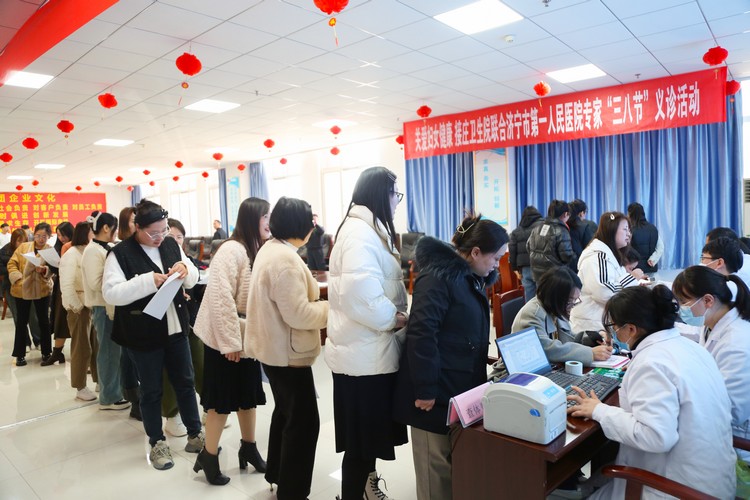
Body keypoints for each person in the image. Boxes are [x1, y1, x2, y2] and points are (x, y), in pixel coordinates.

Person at [567, 285, 736, 499]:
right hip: (711, 480)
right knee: (602, 476)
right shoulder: (690, 348)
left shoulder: (651, 363)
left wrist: (599, 411)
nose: (612, 334)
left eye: (613, 327)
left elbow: (657, 437)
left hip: (678, 489)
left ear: (631, 329)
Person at [393, 215, 508, 500]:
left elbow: (459, 332)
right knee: (436, 473)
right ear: (475, 252)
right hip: (432, 391)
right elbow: (421, 333)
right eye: (496, 258)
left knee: (453, 466)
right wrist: (425, 389)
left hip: (457, 385)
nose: (498, 265)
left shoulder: (471, 277)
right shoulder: (437, 277)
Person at [325, 167, 409, 500]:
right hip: (363, 358)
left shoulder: (368, 229)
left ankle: (365, 488)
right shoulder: (359, 234)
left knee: (367, 440)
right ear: (379, 194)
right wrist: (395, 318)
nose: (396, 201)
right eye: (394, 194)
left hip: (367, 352)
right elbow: (362, 296)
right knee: (361, 445)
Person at [102, 200, 203, 471]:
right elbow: (111, 293)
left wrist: (186, 270)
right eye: (153, 233)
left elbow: (192, 275)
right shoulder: (120, 254)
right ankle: (157, 442)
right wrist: (149, 280)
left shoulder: (170, 243)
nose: (160, 238)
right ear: (137, 227)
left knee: (185, 381)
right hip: (142, 333)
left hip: (176, 327)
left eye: (164, 230)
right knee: (151, 390)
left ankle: (195, 434)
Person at [245, 196, 329, 500]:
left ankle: (278, 474)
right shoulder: (285, 259)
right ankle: (293, 491)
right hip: (288, 354)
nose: (313, 225)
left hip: (274, 350)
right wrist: (331, 308)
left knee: (287, 413)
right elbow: (299, 314)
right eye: (310, 220)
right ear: (300, 225)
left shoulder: (273, 249)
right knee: (305, 423)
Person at [193, 199, 270, 485]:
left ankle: (248, 448)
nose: (269, 221)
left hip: (246, 335)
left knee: (248, 395)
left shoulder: (259, 248)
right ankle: (208, 456)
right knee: (221, 402)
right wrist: (230, 343)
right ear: (252, 218)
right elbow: (219, 297)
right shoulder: (231, 249)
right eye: (265, 215)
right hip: (223, 340)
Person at [673, 267, 750, 475]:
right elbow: (693, 336)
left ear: (708, 300)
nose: (682, 309)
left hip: (734, 444)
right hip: (712, 427)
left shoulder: (737, 344)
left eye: (685, 302)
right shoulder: (714, 324)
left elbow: (730, 412)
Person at [512, 267, 612, 365]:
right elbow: (546, 349)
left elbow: (568, 338)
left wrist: (595, 338)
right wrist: (590, 353)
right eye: (569, 301)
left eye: (575, 300)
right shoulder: (532, 314)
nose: (572, 306)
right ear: (555, 297)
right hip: (524, 372)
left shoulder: (554, 308)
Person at [82, 212, 131, 412]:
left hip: (110, 305)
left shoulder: (105, 247)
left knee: (113, 351)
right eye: (115, 228)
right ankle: (109, 397)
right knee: (109, 352)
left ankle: (113, 390)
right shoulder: (93, 250)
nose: (116, 232)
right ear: (105, 228)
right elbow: (95, 282)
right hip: (103, 307)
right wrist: (117, 280)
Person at [160, 218, 205, 437]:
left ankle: (208, 407)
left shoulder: (184, 257)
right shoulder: (156, 254)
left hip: (189, 317)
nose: (175, 241)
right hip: (167, 320)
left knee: (198, 363)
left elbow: (194, 281)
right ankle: (172, 414)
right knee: (171, 371)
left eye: (179, 237)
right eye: (171, 237)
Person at [570, 212, 643, 335]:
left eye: (629, 230)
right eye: (625, 229)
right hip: (591, 325)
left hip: (598, 321)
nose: (629, 234)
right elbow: (604, 293)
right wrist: (631, 278)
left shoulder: (609, 255)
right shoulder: (598, 256)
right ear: (611, 230)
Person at [60, 222, 98, 401]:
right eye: (93, 231)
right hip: (79, 308)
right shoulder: (71, 255)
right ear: (85, 233)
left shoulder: (90, 251)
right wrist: (77, 306)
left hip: (93, 305)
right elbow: (66, 285)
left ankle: (100, 380)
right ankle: (80, 386)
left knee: (97, 346)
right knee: (81, 348)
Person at [7, 223, 54, 366]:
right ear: (34, 234)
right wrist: (18, 278)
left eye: (44, 236)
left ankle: (47, 352)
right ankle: (20, 355)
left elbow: (54, 269)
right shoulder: (24, 247)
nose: (41, 239)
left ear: (48, 237)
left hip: (42, 289)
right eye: (38, 235)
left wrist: (45, 270)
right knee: (21, 322)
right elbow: (11, 264)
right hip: (22, 289)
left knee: (44, 322)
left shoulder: (50, 250)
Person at [1, 228, 42, 350]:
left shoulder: (31, 248)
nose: (21, 244)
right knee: (19, 317)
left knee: (33, 315)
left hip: (29, 286)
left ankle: (38, 340)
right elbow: (2, 269)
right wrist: (17, 273)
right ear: (13, 241)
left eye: (23, 241)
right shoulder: (4, 252)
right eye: (19, 241)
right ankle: (25, 343)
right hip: (12, 288)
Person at [43, 221, 74, 366]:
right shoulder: (57, 248)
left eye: (63, 234)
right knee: (60, 319)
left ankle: (62, 352)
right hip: (61, 288)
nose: (61, 238)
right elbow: (55, 270)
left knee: (76, 321)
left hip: (74, 287)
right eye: (59, 235)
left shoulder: (76, 247)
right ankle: (57, 352)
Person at [526, 199, 576, 282]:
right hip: (555, 275)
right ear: (565, 214)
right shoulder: (561, 230)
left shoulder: (537, 227)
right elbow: (567, 256)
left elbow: (528, 246)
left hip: (537, 274)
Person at [508, 206, 542, 301]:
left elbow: (512, 251)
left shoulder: (516, 232)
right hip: (541, 267)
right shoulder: (543, 227)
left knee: (529, 298)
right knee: (543, 298)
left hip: (525, 269)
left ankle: (529, 315)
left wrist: (515, 269)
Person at [627, 202, 663, 273]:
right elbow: (660, 247)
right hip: (651, 268)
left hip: (636, 270)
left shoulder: (630, 230)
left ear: (631, 214)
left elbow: (626, 249)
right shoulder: (653, 228)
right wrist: (652, 259)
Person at [568, 199, 597, 271]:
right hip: (580, 267)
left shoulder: (563, 225)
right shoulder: (585, 227)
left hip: (564, 268)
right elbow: (591, 250)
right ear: (581, 213)